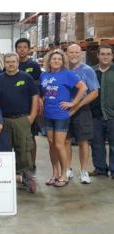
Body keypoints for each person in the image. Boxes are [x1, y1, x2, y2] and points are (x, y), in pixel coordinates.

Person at [39, 49, 87, 187]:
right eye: (54, 59)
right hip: (48, 114)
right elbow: (42, 92)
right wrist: (42, 102)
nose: (56, 61)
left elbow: (83, 87)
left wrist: (73, 103)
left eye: (59, 59)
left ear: (62, 61)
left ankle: (64, 175)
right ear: (49, 60)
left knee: (59, 145)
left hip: (61, 115)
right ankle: (55, 173)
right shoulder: (44, 75)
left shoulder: (67, 74)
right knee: (51, 144)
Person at [0, 52, 38, 190]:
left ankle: (26, 177)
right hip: (4, 120)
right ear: (4, 63)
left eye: (13, 61)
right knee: (5, 149)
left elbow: (35, 97)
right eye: (8, 62)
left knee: (23, 149)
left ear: (18, 62)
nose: (11, 64)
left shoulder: (26, 77)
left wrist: (32, 116)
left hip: (22, 119)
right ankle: (6, 178)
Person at [65, 44, 99, 184]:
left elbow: (94, 92)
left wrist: (77, 106)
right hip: (64, 110)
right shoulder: (62, 69)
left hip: (82, 110)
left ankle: (84, 171)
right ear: (66, 53)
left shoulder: (88, 70)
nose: (73, 55)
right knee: (66, 141)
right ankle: (67, 169)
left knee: (83, 141)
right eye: (71, 52)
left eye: (76, 52)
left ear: (81, 54)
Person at [15, 38, 42, 170]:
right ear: (16, 49)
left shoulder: (34, 66)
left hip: (29, 106)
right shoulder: (12, 64)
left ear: (29, 49)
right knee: (16, 138)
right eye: (19, 47)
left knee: (30, 137)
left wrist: (36, 107)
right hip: (15, 107)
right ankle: (17, 163)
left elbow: (37, 88)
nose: (22, 49)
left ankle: (32, 163)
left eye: (25, 47)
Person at [90, 45, 114, 179]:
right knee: (96, 144)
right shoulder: (92, 72)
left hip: (112, 115)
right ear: (98, 56)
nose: (105, 56)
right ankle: (100, 169)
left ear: (112, 56)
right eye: (103, 54)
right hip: (95, 115)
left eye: (108, 54)